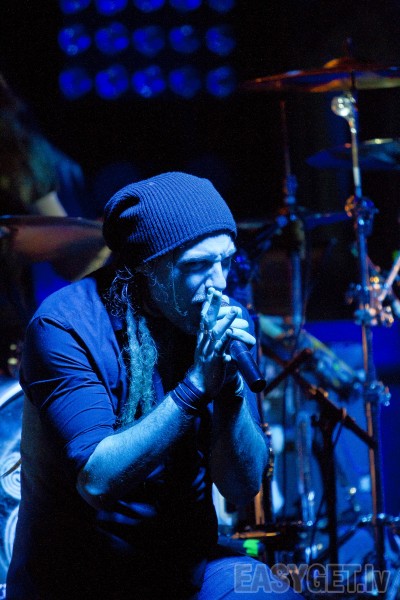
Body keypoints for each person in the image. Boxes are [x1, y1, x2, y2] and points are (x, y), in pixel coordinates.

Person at [7, 172, 300, 599]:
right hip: (77, 577)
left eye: (225, 260)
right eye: (197, 265)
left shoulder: (221, 319)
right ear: (148, 267)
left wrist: (230, 389)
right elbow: (98, 482)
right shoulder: (65, 325)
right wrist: (195, 387)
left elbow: (242, 487)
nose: (219, 282)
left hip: (188, 569)